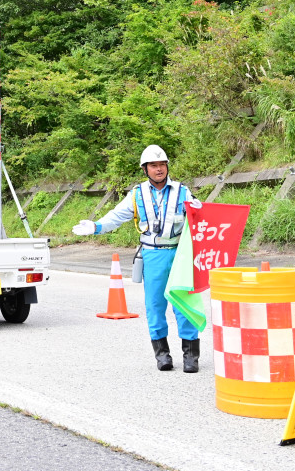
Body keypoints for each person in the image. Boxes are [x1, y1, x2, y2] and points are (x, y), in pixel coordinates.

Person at [73, 145, 202, 373]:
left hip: (180, 255)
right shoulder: (137, 194)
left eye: (162, 164)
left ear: (167, 166)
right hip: (153, 254)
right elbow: (116, 216)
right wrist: (96, 226)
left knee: (184, 305)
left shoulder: (182, 191)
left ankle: (191, 356)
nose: (159, 169)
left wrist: (202, 211)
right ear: (145, 169)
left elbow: (200, 218)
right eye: (153, 165)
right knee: (155, 306)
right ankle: (162, 355)